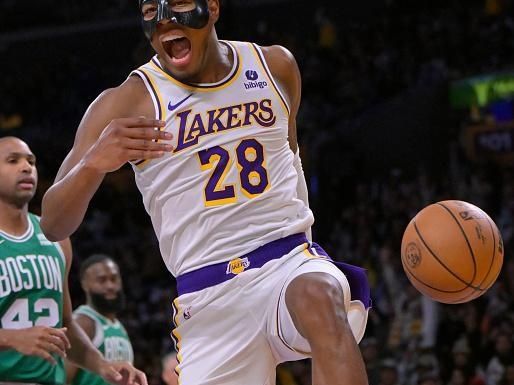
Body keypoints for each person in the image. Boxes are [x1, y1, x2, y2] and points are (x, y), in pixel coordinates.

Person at [40, 1, 372, 383]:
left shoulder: (274, 67)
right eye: (151, 9)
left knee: (318, 297)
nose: (165, 18)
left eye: (179, 3)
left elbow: (292, 163)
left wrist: (307, 248)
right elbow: (52, 222)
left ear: (212, 7)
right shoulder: (127, 101)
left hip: (286, 264)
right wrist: (93, 163)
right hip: (209, 296)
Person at [0, 137, 146, 385]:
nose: (26, 167)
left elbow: (66, 324)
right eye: (12, 161)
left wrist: (103, 365)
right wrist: (10, 338)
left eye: (31, 161)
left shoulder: (56, 238)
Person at [66, 254, 134, 385]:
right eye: (102, 280)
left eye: (114, 279)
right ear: (85, 284)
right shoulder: (83, 322)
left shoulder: (119, 327)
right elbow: (62, 377)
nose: (110, 286)